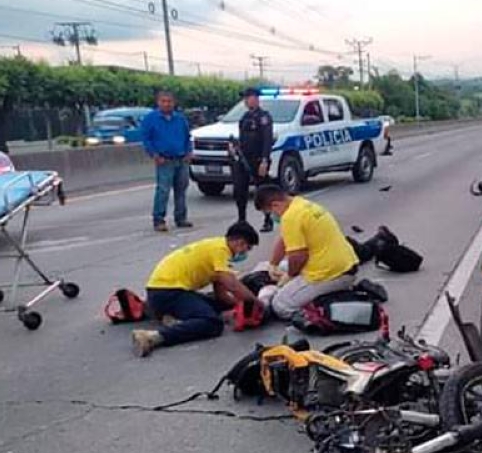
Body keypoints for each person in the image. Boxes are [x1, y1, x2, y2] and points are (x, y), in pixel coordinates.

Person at [132, 222, 261, 357]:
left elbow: (221, 295)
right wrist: (256, 303)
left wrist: (236, 306)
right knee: (212, 323)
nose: (246, 252)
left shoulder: (216, 248)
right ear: (240, 243)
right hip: (168, 292)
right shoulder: (220, 250)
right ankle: (153, 337)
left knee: (216, 305)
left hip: (164, 290)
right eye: (248, 248)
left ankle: (174, 318)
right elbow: (233, 285)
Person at [254, 186, 359, 319]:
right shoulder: (301, 204)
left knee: (280, 305)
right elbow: (284, 239)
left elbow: (298, 257)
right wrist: (273, 264)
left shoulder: (291, 217)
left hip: (331, 274)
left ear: (275, 205)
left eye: (270, 212)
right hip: (343, 265)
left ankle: (328, 302)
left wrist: (288, 278)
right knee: (266, 266)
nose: (273, 216)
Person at [141, 90, 194, 232]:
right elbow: (146, 139)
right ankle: (159, 220)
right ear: (158, 102)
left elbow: (187, 137)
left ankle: (181, 218)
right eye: (163, 101)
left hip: (181, 159)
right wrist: (154, 155)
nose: (166, 104)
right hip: (164, 161)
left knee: (181, 190)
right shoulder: (150, 119)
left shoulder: (180, 119)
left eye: (169, 101)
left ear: (174, 103)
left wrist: (189, 152)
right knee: (163, 191)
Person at [234, 87, 276, 233]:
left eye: (248, 97)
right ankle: (242, 221)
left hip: (258, 159)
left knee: (262, 191)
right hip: (243, 159)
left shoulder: (264, 117)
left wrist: (264, 160)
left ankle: (268, 219)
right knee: (239, 191)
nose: (246, 100)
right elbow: (242, 138)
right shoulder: (245, 117)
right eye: (244, 98)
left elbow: (267, 139)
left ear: (256, 98)